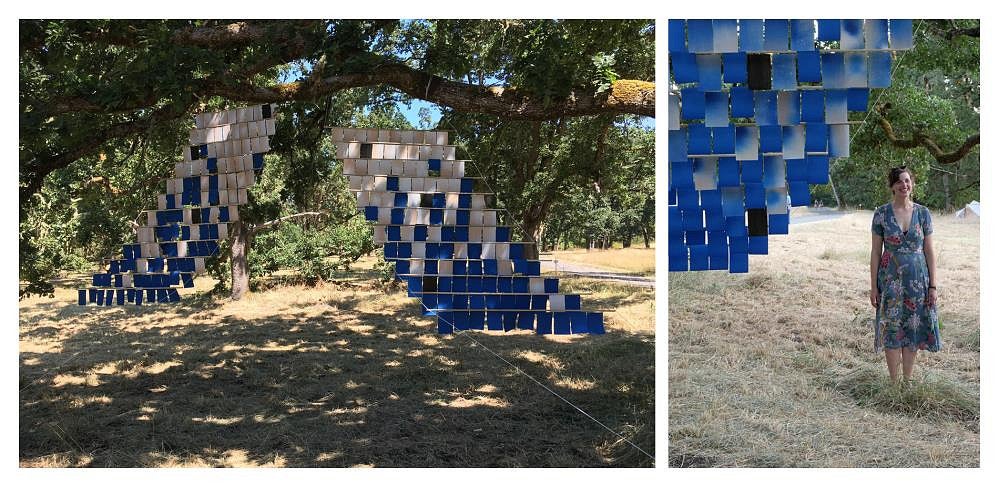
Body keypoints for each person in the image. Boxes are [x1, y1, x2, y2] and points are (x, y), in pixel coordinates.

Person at [869, 166, 941, 382]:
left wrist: (933, 286)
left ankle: (907, 383)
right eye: (899, 182)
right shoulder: (881, 214)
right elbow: (875, 252)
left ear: (912, 184)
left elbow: (929, 250)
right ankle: (894, 383)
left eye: (907, 181)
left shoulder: (923, 213)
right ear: (892, 186)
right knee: (891, 328)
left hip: (918, 282)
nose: (904, 185)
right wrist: (873, 286)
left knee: (913, 327)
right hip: (890, 281)